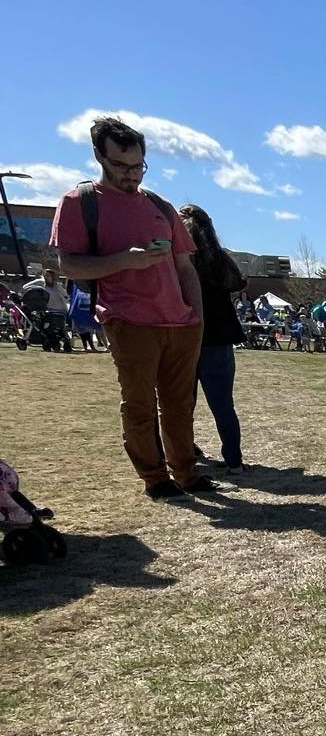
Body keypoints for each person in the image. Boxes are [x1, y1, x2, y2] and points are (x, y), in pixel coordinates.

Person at [50, 116, 214, 498]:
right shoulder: (79, 203)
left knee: (180, 404)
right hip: (129, 320)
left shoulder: (160, 205)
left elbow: (185, 267)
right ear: (99, 157)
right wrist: (125, 259)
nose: (132, 174)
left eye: (138, 165)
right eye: (121, 166)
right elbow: (70, 265)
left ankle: (187, 472)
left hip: (180, 322)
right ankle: (155, 478)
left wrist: (197, 317)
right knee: (139, 403)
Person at [177, 204, 250, 469]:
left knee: (182, 405)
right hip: (218, 338)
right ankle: (234, 461)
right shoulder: (220, 259)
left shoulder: (180, 259)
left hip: (185, 337)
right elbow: (239, 283)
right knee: (223, 405)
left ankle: (183, 455)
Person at [68, 281, 103, 351]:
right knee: (81, 328)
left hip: (87, 303)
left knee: (90, 326)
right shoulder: (74, 282)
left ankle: (91, 346)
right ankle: (86, 346)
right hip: (79, 304)